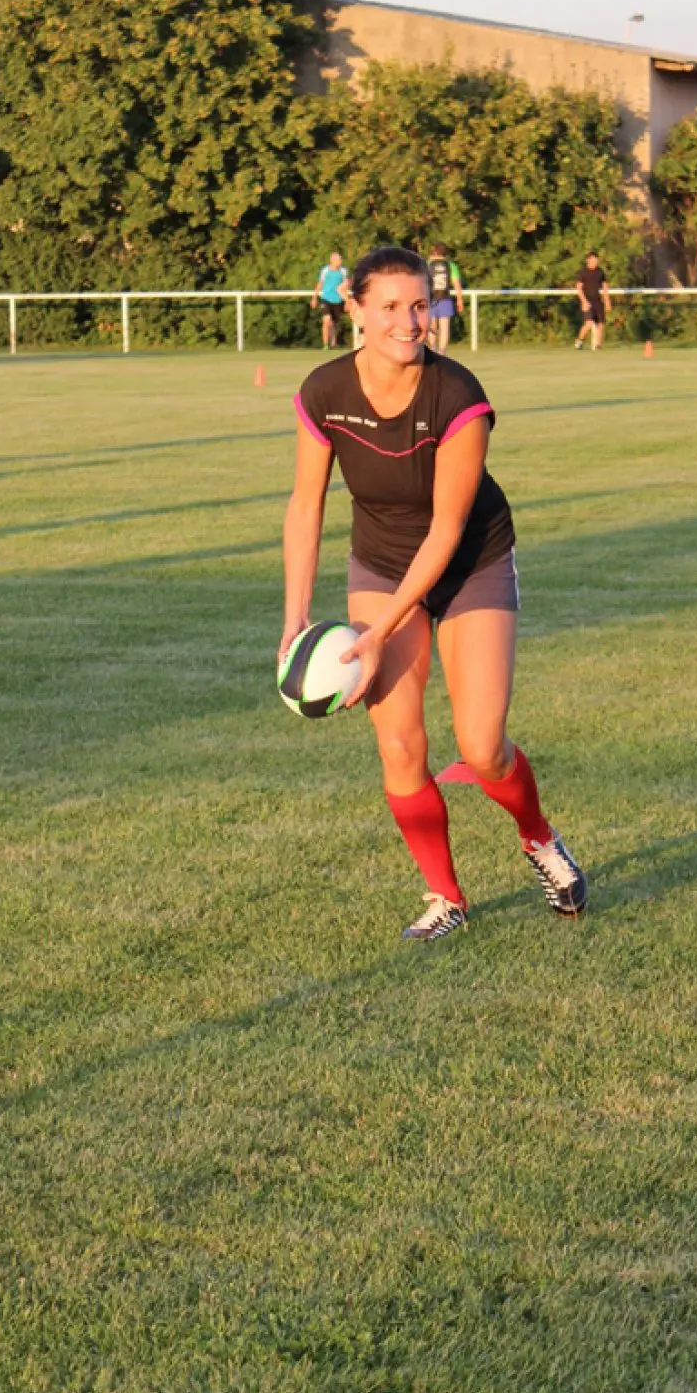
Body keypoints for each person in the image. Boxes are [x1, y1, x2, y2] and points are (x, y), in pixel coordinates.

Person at [281, 244, 587, 942]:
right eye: (390, 306)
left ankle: (539, 838)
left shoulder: (457, 396)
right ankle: (445, 896)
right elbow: (305, 506)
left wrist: (379, 631)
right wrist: (295, 620)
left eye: (420, 305)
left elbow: (447, 530)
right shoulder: (325, 392)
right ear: (355, 309)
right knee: (398, 745)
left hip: (471, 562)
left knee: (481, 747)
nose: (409, 321)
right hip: (380, 563)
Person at [426, 243, 465, 354]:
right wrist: (459, 300)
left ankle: (432, 350)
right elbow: (456, 284)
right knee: (444, 327)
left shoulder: (427, 265)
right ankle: (442, 352)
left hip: (431, 299)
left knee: (432, 326)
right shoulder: (451, 266)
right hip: (445, 298)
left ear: (435, 252)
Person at [311, 251, 350, 349]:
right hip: (326, 298)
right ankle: (325, 345)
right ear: (332, 261)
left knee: (334, 323)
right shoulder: (325, 270)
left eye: (340, 259)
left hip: (338, 300)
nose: (340, 261)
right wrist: (314, 298)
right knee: (326, 320)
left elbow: (345, 287)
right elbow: (320, 284)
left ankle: (333, 344)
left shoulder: (343, 271)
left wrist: (347, 301)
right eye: (338, 259)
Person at [574, 251, 610, 351]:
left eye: (596, 260)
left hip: (597, 300)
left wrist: (607, 301)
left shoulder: (600, 272)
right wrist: (584, 301)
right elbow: (579, 288)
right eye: (593, 260)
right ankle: (579, 341)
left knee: (601, 323)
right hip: (587, 300)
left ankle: (598, 345)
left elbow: (605, 286)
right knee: (589, 323)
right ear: (588, 260)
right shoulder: (583, 272)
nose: (595, 262)